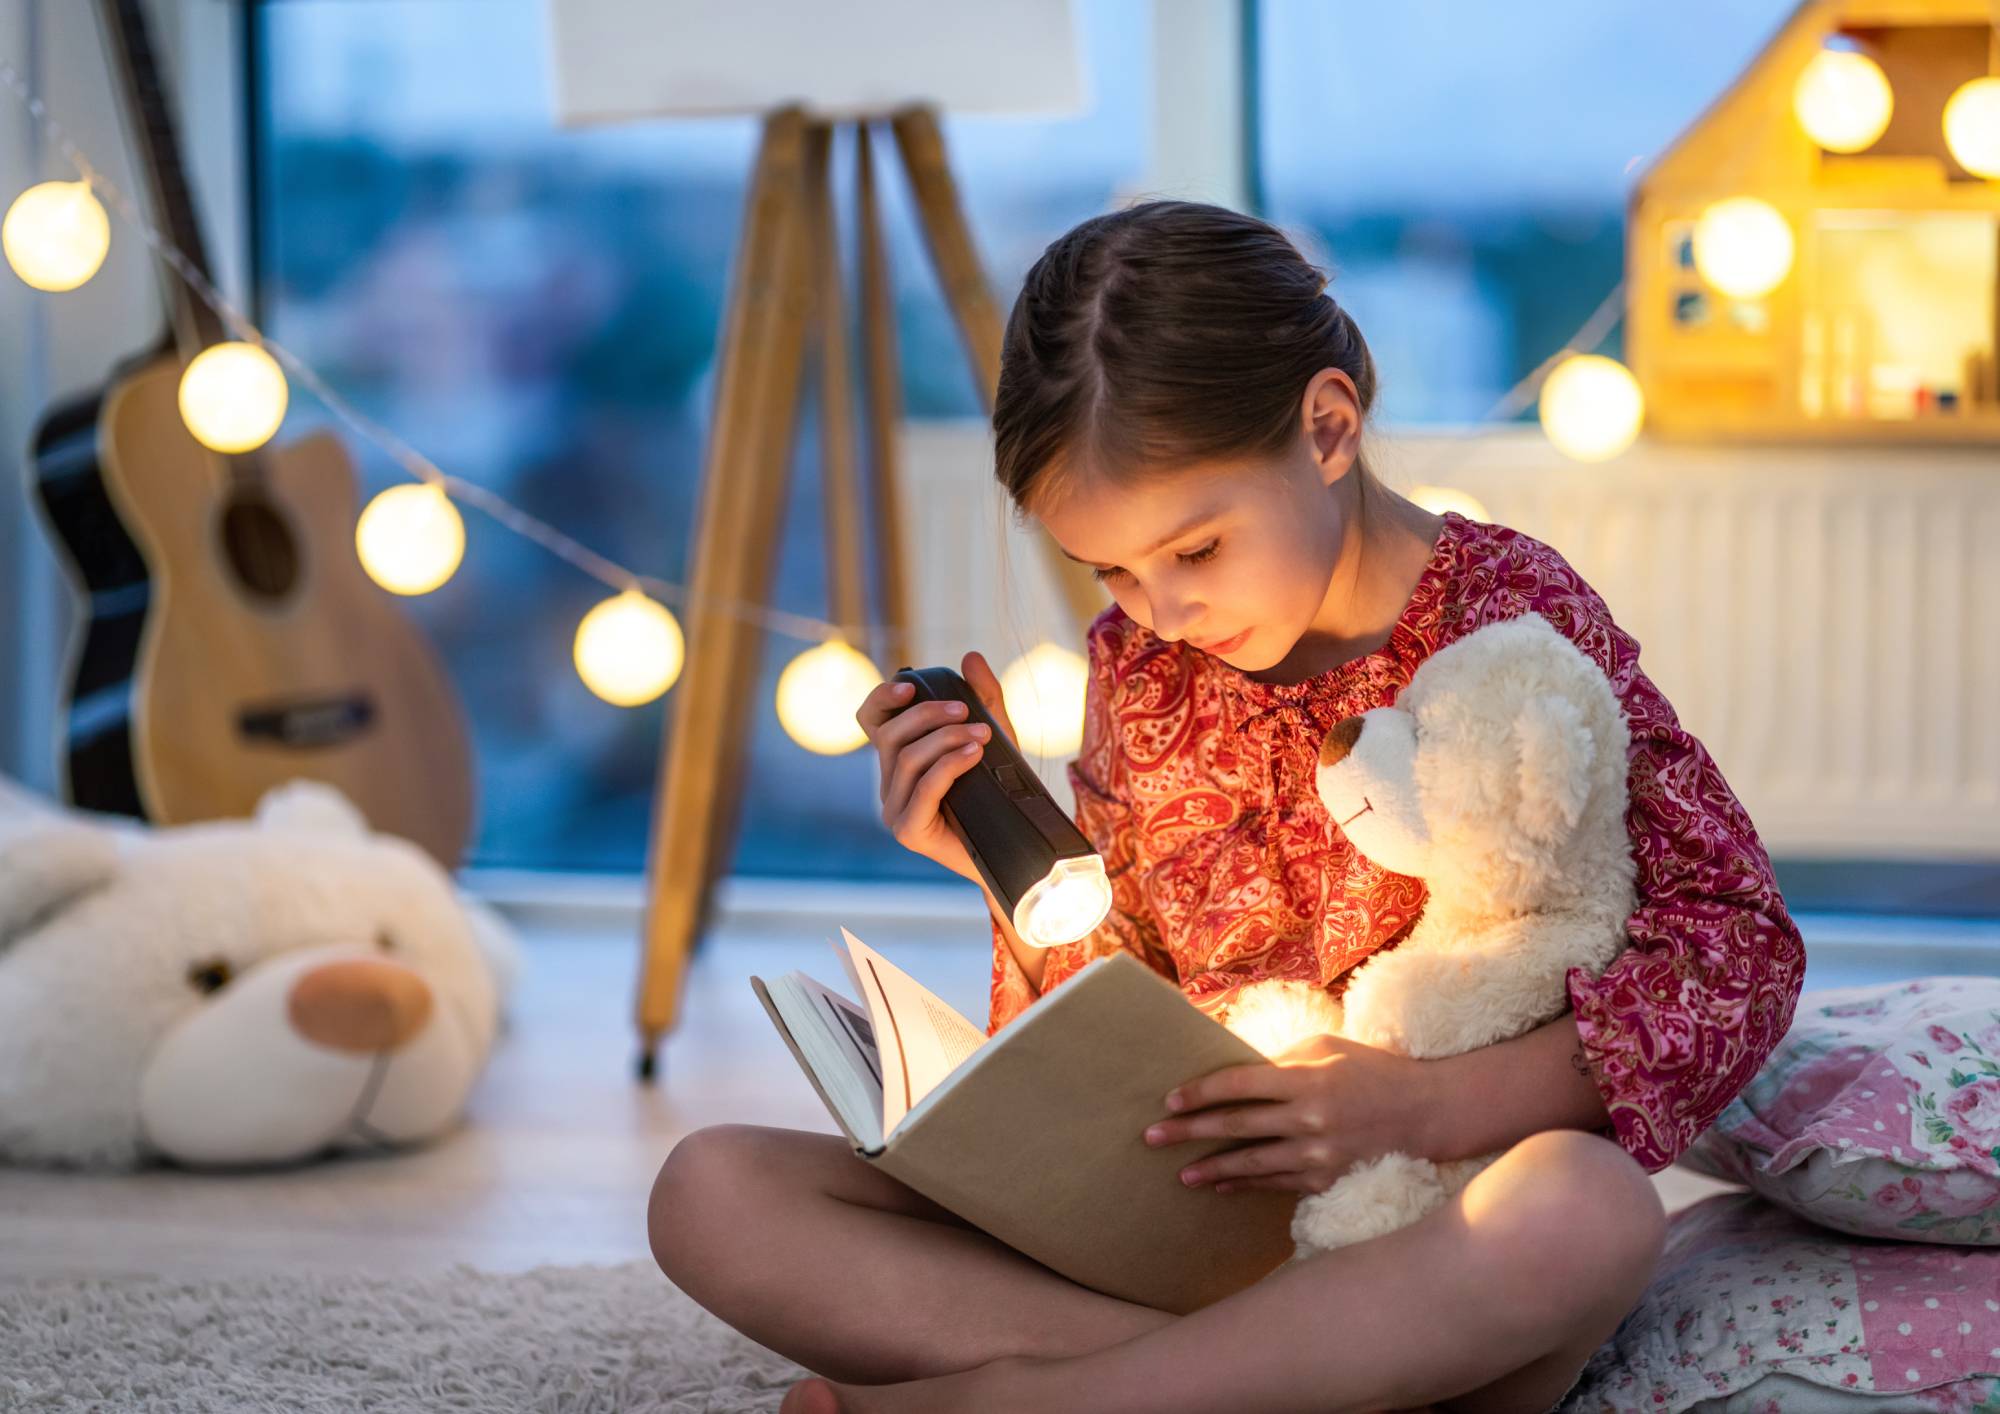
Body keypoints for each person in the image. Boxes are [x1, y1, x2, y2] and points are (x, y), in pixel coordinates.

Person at [649, 199, 1808, 1414]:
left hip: (1423, 1217)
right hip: (1195, 1225)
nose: (1160, 609)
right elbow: (1115, 1008)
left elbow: (1735, 948)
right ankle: (1280, 1386)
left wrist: (1414, 1105)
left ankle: (1044, 1398)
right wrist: (995, 862)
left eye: (1194, 551)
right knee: (711, 1189)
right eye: (1111, 569)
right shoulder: (1138, 663)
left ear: (1324, 429)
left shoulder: (1512, 618)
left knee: (1586, 1209)